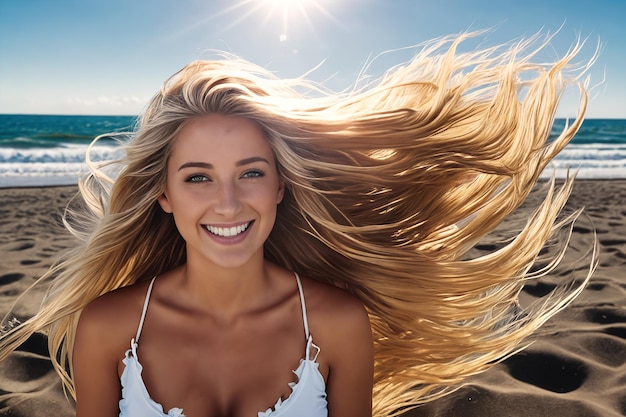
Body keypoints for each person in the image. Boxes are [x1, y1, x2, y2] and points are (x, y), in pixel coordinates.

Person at [0, 31, 596, 417]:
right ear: (162, 195)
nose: (229, 203)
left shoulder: (336, 323)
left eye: (251, 173)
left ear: (282, 185)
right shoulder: (107, 327)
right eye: (199, 177)